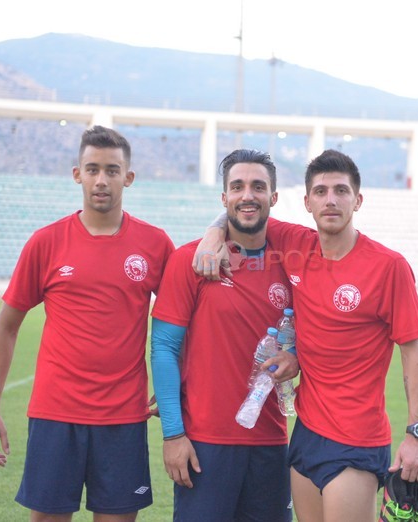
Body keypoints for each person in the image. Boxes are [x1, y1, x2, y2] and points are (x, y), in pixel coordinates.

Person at [194, 149, 418, 522]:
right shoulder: (296, 244)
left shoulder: (388, 267)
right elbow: (246, 210)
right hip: (306, 432)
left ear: (358, 200)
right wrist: (213, 233)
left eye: (341, 191)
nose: (331, 200)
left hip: (356, 438)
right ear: (307, 202)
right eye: (321, 191)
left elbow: (414, 354)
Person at [0, 125, 174, 521]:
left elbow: (180, 322)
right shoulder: (46, 242)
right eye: (92, 169)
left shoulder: (155, 244)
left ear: (128, 177)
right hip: (55, 413)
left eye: (112, 170)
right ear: (77, 174)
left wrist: (176, 386)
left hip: (123, 416)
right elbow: (6, 327)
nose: (101, 180)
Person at [150, 149, 298, 522]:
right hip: (205, 444)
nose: (247, 195)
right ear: (223, 197)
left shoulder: (293, 263)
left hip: (271, 441)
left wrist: (296, 358)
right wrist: (173, 435)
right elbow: (164, 348)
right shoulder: (191, 260)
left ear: (273, 197)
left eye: (258, 187)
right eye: (237, 186)